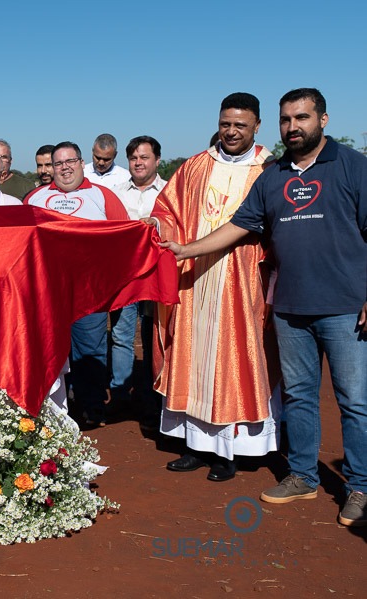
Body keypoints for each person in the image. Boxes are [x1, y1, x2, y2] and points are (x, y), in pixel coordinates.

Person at [161, 88, 366, 526]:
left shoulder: (352, 167)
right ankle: (303, 476)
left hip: (343, 305)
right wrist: (185, 249)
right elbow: (238, 225)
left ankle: (361, 487)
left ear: (323, 120)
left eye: (303, 118)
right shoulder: (273, 176)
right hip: (290, 304)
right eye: (287, 120)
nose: (294, 127)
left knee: (355, 401)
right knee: (300, 397)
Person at [148, 92, 279, 482]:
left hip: (241, 282)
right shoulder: (195, 166)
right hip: (194, 279)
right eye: (226, 124)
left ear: (257, 126)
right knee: (191, 357)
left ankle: (227, 451)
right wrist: (157, 227)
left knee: (231, 361)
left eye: (240, 125)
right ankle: (193, 445)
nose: (231, 131)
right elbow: (166, 209)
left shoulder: (268, 169)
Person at [26, 141, 129, 427]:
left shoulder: (103, 196)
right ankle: (54, 409)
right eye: (58, 163)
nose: (64, 168)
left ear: (80, 163)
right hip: (47, 292)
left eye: (70, 161)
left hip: (89, 292)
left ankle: (91, 408)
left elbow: (123, 238)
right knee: (49, 349)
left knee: (90, 350)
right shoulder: (35, 198)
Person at [109, 136, 168, 429]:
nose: (139, 163)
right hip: (126, 275)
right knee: (121, 334)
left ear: (157, 160)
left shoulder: (171, 192)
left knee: (153, 335)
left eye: (144, 158)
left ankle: (153, 397)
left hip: (157, 275)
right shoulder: (116, 193)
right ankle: (121, 394)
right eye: (134, 158)